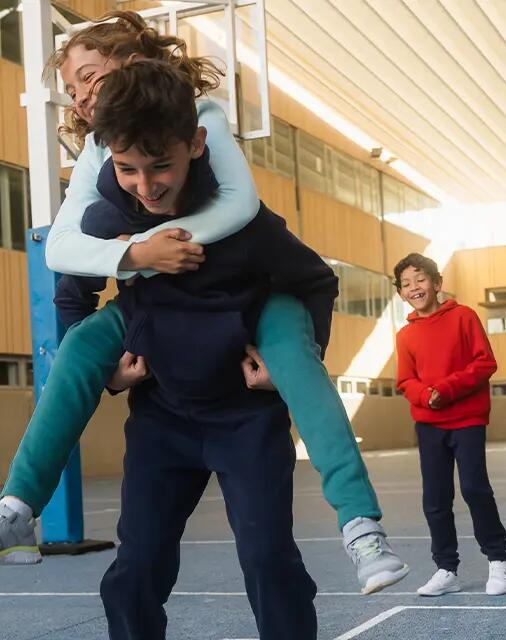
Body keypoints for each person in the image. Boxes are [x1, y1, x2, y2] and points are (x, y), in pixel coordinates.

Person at [0, 11, 407, 594]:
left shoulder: (209, 143)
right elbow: (65, 267)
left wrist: (297, 353)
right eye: (73, 88)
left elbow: (296, 262)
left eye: (90, 75)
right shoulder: (104, 182)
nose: (82, 93)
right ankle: (17, 506)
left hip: (243, 338)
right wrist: (135, 262)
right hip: (166, 389)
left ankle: (361, 528)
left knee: (293, 380)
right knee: (84, 351)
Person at [75, 59, 329, 638]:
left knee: (268, 558)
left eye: (160, 165)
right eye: (127, 169)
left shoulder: (248, 222)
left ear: (195, 143)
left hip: (247, 418)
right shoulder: (107, 217)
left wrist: (288, 366)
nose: (147, 186)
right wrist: (105, 372)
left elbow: (316, 281)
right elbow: (74, 293)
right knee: (136, 567)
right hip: (161, 419)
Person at [391, 252, 506, 597]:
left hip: (467, 419)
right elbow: (405, 381)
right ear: (401, 293)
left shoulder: (464, 317)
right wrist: (424, 395)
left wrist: (443, 389)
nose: (414, 287)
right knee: (436, 498)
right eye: (406, 284)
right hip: (429, 425)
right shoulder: (405, 336)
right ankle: (447, 569)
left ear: (437, 283)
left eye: (420, 279)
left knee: (475, 488)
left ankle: (497, 560)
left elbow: (484, 363)